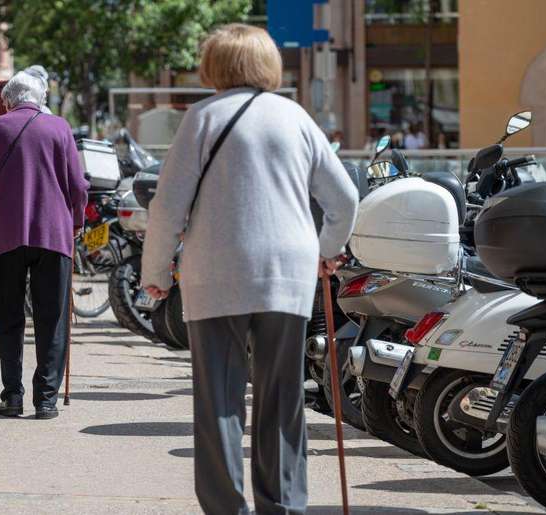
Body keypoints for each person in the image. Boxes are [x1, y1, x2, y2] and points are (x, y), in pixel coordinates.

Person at [140, 24, 359, 514]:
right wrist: (327, 250)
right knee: (283, 398)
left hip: (215, 272)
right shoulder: (296, 117)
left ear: (214, 66)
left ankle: (226, 508)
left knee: (218, 399)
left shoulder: (202, 118)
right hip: (288, 271)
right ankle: (282, 504)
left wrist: (154, 271)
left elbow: (167, 207)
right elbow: (344, 199)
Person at [0, 72, 89, 420]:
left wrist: (1, 203)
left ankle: (12, 395)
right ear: (40, 97)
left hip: (5, 234)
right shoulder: (59, 128)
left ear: (7, 101)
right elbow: (77, 186)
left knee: (8, 316)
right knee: (52, 317)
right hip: (53, 234)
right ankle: (46, 398)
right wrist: (75, 221)